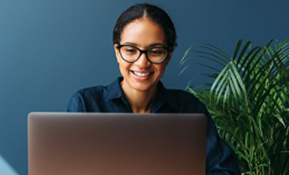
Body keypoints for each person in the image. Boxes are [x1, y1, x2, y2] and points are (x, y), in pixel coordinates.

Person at [66, 3, 240, 175]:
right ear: (117, 52)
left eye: (155, 51)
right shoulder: (85, 105)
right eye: (131, 50)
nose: (142, 63)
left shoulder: (189, 109)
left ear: (169, 55)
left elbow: (225, 170)